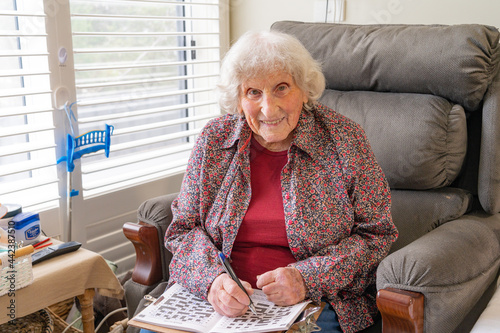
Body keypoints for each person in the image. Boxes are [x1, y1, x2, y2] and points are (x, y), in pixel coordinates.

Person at [142, 30, 398, 333]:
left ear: (303, 89)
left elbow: (376, 235)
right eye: (253, 92)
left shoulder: (344, 140)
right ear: (238, 99)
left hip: (312, 302)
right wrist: (212, 281)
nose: (268, 108)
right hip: (217, 305)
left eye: (281, 88)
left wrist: (307, 278)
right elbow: (183, 229)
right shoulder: (214, 140)